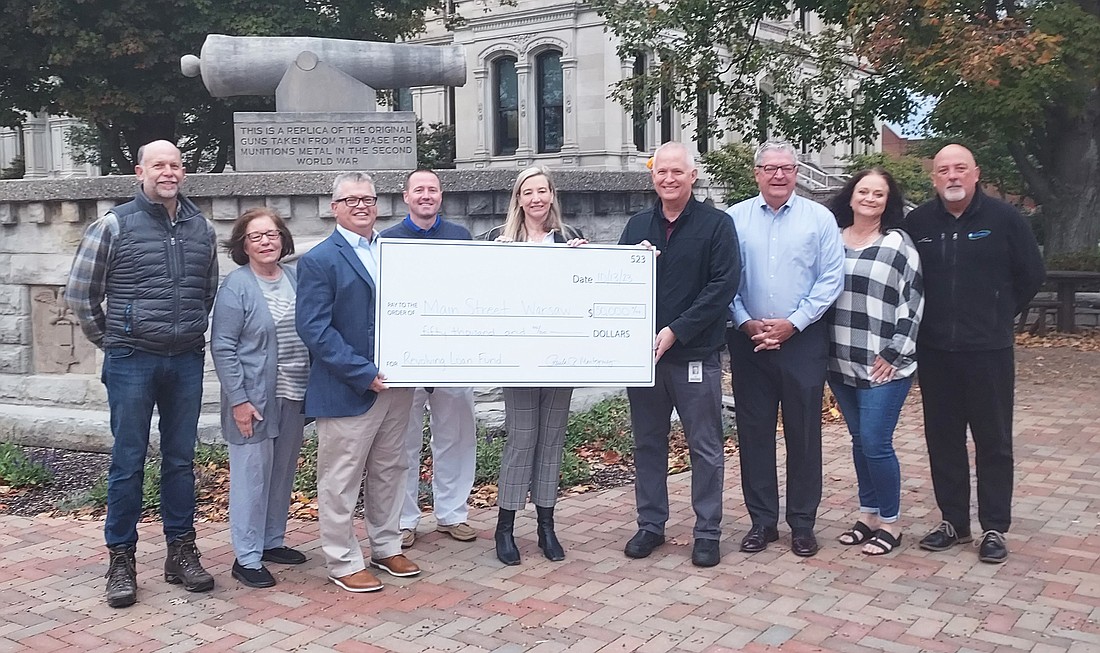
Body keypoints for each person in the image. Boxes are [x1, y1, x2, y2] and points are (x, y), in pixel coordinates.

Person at [65, 140, 218, 608]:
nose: (167, 172)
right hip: (132, 360)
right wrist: (115, 339)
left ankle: (181, 552)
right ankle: (121, 560)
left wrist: (186, 329)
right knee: (127, 462)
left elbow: (206, 291)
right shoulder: (113, 225)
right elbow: (79, 294)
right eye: (158, 165)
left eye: (174, 165)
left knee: (180, 460)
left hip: (185, 359)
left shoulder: (201, 228)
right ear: (140, 172)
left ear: (183, 172)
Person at [904, 144, 1045, 564]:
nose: (952, 176)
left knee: (993, 441)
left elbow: (1031, 275)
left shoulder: (1004, 219)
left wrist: (999, 314)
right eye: (944, 170)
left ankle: (994, 528)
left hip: (988, 350)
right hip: (935, 351)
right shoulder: (919, 223)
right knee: (942, 438)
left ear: (975, 173)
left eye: (960, 169)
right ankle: (953, 521)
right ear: (934, 178)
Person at [296, 171, 419, 593]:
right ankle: (343, 559)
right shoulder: (319, 259)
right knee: (341, 479)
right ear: (335, 208)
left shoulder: (393, 252)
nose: (362, 206)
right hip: (349, 388)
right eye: (352, 200)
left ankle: (386, 546)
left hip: (397, 386)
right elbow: (314, 329)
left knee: (390, 469)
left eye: (368, 199)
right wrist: (362, 373)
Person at [618, 142, 740, 568]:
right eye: (661, 172)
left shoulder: (717, 225)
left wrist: (676, 331)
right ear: (653, 176)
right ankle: (650, 524)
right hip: (645, 359)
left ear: (692, 176)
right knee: (648, 443)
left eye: (677, 172)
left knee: (704, 445)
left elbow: (722, 287)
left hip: (694, 354)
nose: (668, 179)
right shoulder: (637, 226)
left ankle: (707, 531)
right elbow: (614, 281)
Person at [726, 141, 845, 558]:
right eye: (770, 168)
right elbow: (724, 278)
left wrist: (794, 323)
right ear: (756, 172)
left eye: (787, 168)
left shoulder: (820, 219)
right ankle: (762, 522)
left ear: (797, 172)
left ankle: (802, 524)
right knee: (754, 434)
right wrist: (744, 321)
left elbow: (831, 278)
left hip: (803, 340)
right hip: (749, 341)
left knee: (804, 433)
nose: (779, 175)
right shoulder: (734, 219)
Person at [485, 166, 585, 565]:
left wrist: (586, 261)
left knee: (552, 440)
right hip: (519, 357)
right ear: (519, 198)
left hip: (560, 356)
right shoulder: (498, 239)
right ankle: (505, 526)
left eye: (542, 191)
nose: (536, 199)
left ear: (551, 195)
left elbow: (586, 289)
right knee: (522, 438)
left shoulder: (570, 238)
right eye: (529, 192)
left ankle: (546, 524)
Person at [826, 169, 924, 556]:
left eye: (878, 194)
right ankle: (868, 514)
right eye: (863, 191)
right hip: (839, 361)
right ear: (850, 197)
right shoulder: (832, 240)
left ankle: (891, 522)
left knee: (876, 442)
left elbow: (913, 302)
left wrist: (894, 351)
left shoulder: (898, 244)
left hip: (885, 363)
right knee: (858, 441)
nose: (869, 198)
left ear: (888, 202)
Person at [379, 170, 479, 549]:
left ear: (441, 196)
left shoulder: (460, 238)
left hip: (451, 353)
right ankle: (404, 519)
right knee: (401, 441)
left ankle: (452, 513)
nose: (426, 195)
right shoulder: (386, 241)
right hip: (403, 357)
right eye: (418, 189)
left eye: (432, 190)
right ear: (405, 196)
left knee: (456, 434)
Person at [211, 208, 309, 588]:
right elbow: (222, 346)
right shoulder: (237, 286)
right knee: (252, 477)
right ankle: (246, 557)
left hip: (294, 394)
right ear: (243, 245)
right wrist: (238, 399)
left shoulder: (296, 278)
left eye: (272, 234)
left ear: (284, 239)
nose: (266, 242)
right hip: (253, 399)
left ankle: (271, 542)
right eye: (256, 236)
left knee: (281, 472)